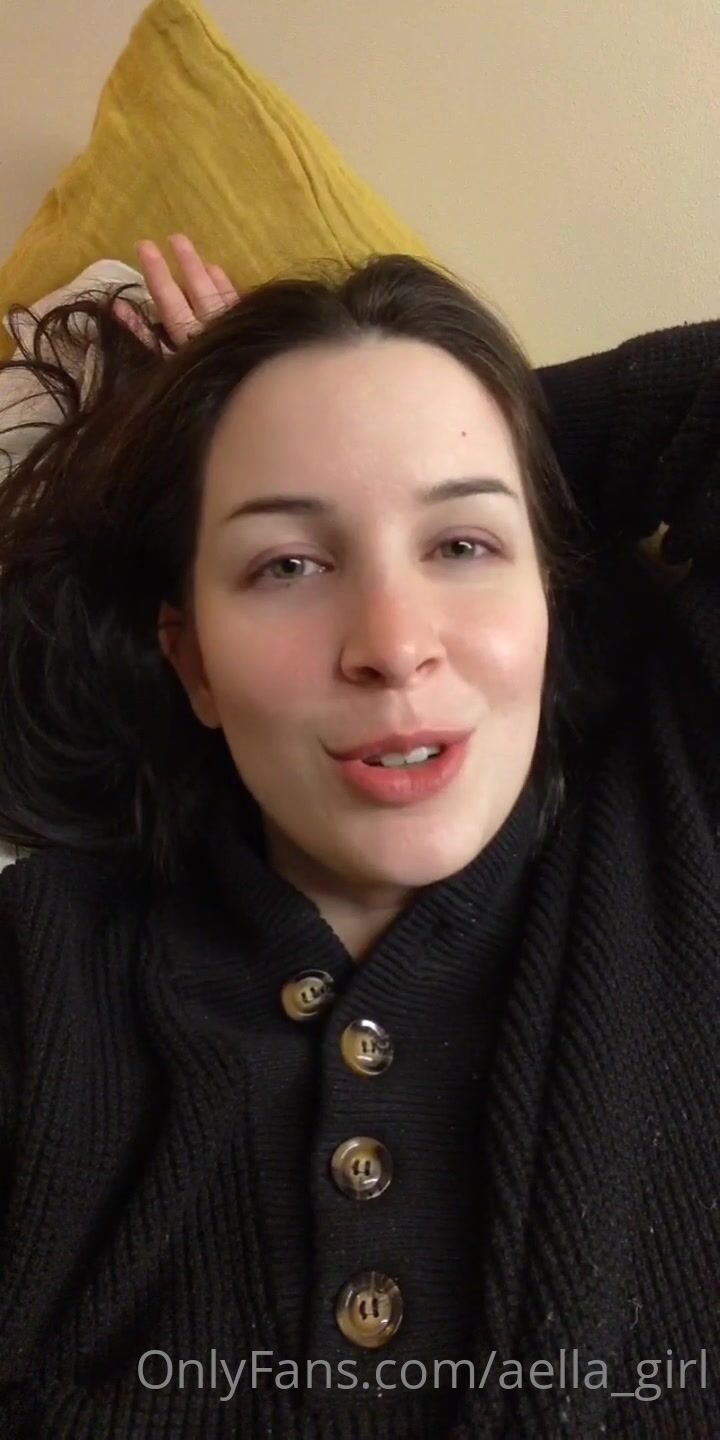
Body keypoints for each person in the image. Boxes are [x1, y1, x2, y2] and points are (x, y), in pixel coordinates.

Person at [0, 235, 717, 1439]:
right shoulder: (42, 976)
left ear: (551, 590)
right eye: (287, 562)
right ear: (193, 661)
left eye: (464, 546)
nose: (392, 643)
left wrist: (429, 418)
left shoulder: (678, 816)